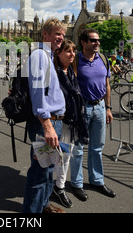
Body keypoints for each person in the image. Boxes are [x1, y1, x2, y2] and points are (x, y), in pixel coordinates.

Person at [22, 18, 66, 213]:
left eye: (63, 35)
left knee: (48, 170)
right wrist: (47, 126)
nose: (61, 38)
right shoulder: (40, 55)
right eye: (57, 34)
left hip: (52, 122)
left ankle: (44, 206)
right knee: (39, 174)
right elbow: (38, 92)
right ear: (45, 35)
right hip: (45, 124)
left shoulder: (47, 55)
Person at [70, 28, 115, 202]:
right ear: (83, 42)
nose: (97, 43)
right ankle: (77, 184)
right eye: (93, 40)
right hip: (82, 109)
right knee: (78, 148)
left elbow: (107, 85)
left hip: (100, 107)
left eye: (98, 40)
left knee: (97, 147)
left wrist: (108, 108)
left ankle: (97, 180)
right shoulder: (75, 60)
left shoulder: (102, 59)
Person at [51, 39, 87, 209]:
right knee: (53, 158)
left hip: (71, 121)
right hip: (57, 122)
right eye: (68, 51)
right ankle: (53, 189)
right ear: (58, 53)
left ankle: (59, 186)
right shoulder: (54, 73)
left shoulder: (71, 72)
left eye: (74, 51)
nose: (72, 54)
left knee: (65, 157)